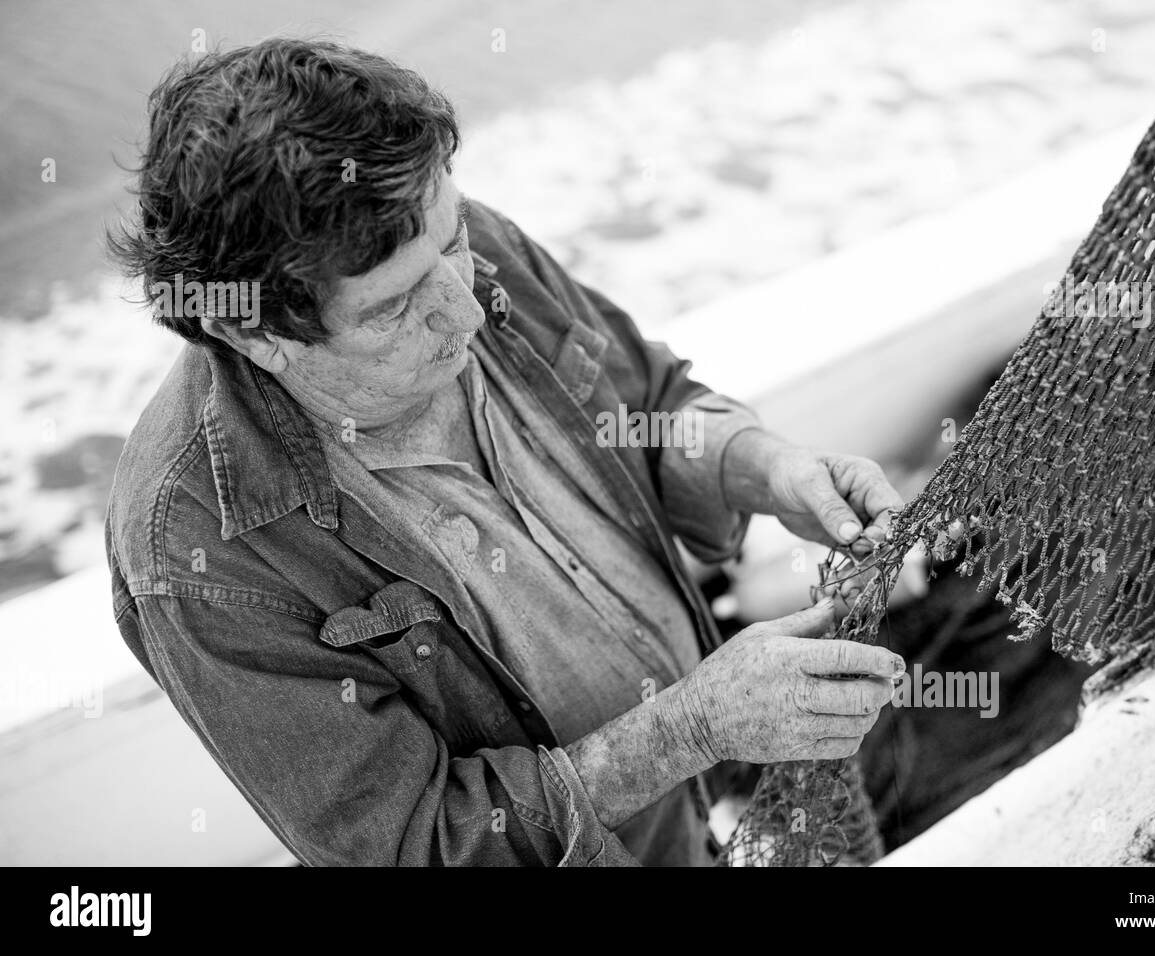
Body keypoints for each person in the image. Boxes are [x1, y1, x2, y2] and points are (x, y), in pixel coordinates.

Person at [106, 38, 905, 866]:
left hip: (717, 809)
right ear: (255, 332)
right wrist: (691, 728)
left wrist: (766, 469)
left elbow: (650, 406)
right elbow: (414, 847)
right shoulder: (196, 554)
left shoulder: (440, 238)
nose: (468, 310)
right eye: (393, 309)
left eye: (451, 245)